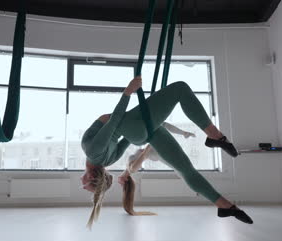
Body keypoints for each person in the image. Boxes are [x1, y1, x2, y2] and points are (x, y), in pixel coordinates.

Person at [80, 76, 253, 228]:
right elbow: (114, 122)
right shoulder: (92, 151)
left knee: (186, 169)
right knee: (180, 88)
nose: (82, 183)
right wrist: (128, 92)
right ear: (90, 177)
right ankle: (215, 135)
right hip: (131, 124)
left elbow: (125, 139)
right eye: (85, 185)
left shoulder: (105, 161)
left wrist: (151, 122)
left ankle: (224, 206)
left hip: (139, 132)